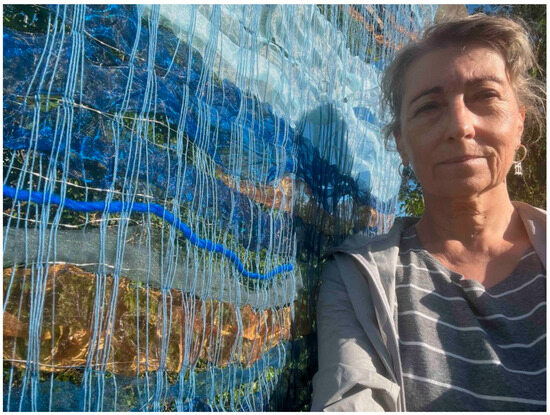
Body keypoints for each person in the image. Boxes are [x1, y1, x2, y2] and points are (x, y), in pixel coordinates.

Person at [311, 14, 546, 411]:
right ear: (401, 143)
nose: (459, 125)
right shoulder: (359, 279)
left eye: (485, 96)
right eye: (429, 107)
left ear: (519, 122)